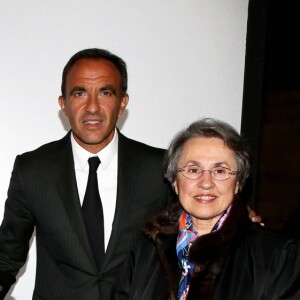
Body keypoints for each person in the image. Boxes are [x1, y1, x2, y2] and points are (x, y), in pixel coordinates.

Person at [0, 48, 175, 299]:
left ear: (122, 103)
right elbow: (6, 257)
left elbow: (193, 238)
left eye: (105, 92)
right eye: (80, 93)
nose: (92, 107)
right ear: (64, 104)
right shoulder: (32, 170)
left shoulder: (160, 167)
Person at [113, 118, 300, 300]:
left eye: (220, 171)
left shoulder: (279, 257)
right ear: (174, 182)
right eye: (193, 170)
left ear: (238, 183)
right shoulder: (146, 250)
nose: (206, 183)